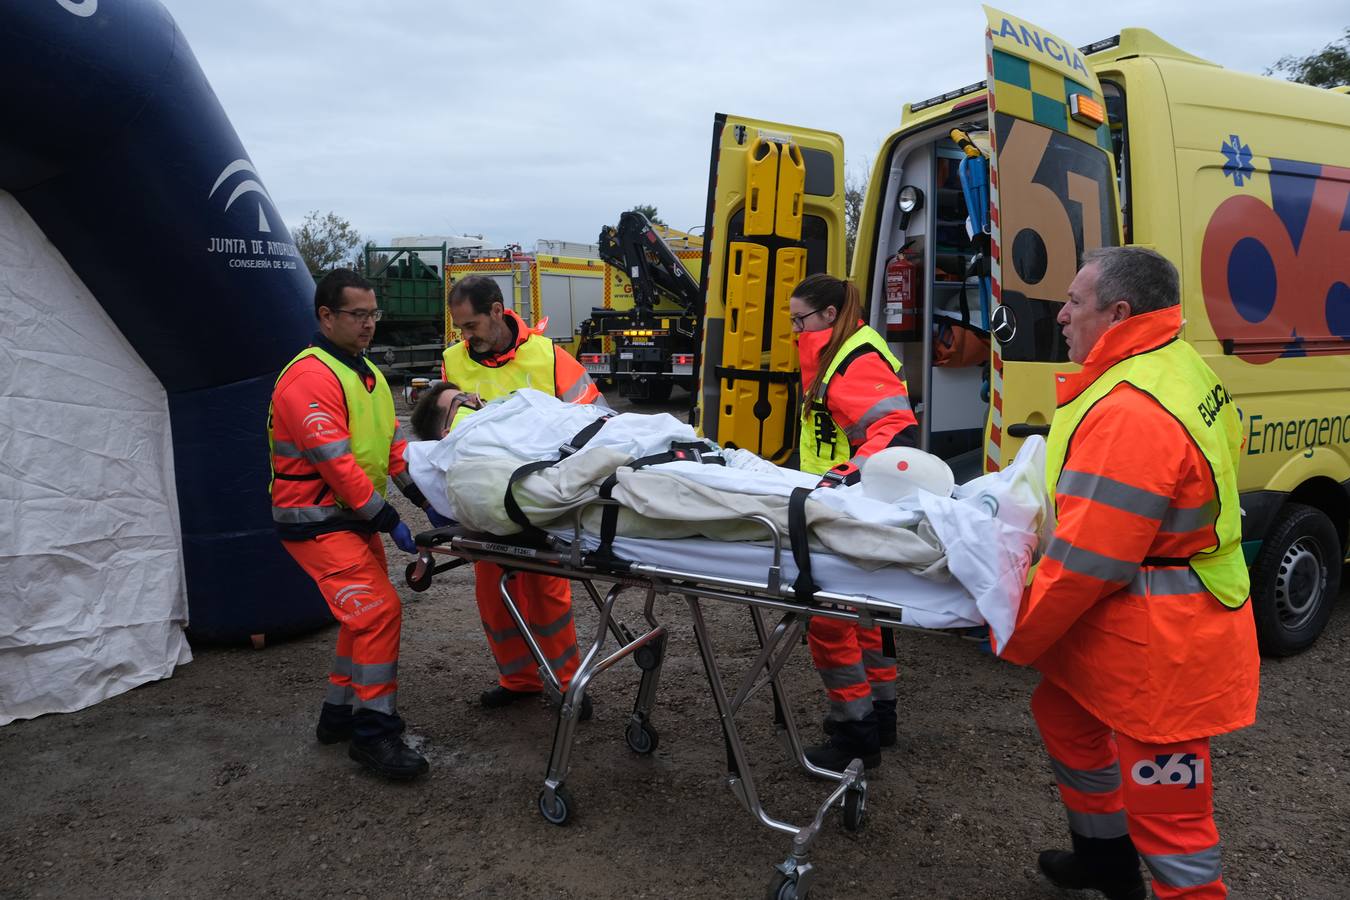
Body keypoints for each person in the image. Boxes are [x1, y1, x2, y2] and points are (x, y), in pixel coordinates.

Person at [998, 247, 1259, 900]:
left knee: (1171, 820)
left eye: (1074, 302)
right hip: (1137, 621)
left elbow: (1090, 561)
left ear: (1119, 313)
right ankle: (1106, 866)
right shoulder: (1174, 366)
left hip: (1163, 646)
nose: (1060, 315)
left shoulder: (1131, 409)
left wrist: (1012, 627)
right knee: (1064, 715)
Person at [268, 268, 441, 781]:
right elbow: (335, 464)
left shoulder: (366, 375)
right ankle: (373, 735)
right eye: (357, 315)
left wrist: (423, 500)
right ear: (326, 316)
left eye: (373, 315)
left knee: (361, 617)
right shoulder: (310, 378)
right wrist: (390, 520)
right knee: (378, 613)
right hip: (316, 521)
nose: (369, 325)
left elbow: (388, 450)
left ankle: (339, 715)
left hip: (349, 520)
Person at [441, 275, 601, 718]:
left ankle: (568, 685)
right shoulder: (453, 360)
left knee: (547, 594)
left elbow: (595, 418)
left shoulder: (549, 357)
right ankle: (519, 679)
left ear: (497, 310)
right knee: (493, 594)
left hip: (540, 500)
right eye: (460, 329)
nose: (465, 338)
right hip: (485, 500)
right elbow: (446, 425)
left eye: (471, 325)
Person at [788, 272, 920, 772]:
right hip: (842, 503)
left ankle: (854, 733)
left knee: (832, 623)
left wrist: (843, 478)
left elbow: (894, 430)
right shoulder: (842, 352)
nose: (796, 329)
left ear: (827, 315)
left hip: (846, 506)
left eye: (801, 319)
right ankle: (876, 720)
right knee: (865, 618)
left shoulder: (854, 359)